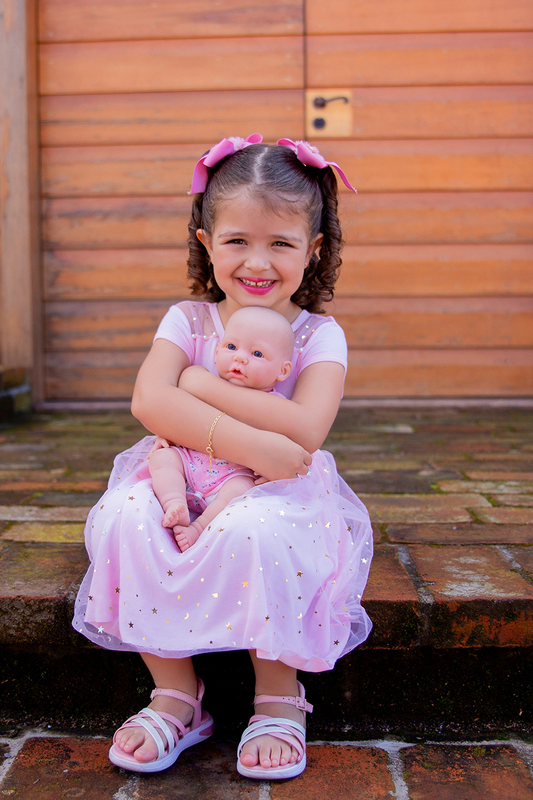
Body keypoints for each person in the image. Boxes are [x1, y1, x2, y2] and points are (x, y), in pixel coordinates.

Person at [72, 133, 372, 781]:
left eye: (281, 243)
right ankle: (177, 695)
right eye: (237, 240)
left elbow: (306, 429)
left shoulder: (318, 336)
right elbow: (150, 401)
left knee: (259, 525)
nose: (257, 263)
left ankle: (278, 695)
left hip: (276, 491)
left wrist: (200, 387)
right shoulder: (188, 321)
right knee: (127, 514)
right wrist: (261, 444)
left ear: (314, 249)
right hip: (186, 471)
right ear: (206, 244)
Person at [149, 305, 295, 553]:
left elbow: (282, 447)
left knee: (240, 491)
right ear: (216, 352)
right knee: (162, 459)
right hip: (190, 463)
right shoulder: (206, 387)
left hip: (232, 476)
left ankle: (199, 527)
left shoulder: (275, 407)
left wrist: (271, 471)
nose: (240, 358)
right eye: (231, 347)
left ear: (283, 371)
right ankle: (174, 503)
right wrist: (165, 434)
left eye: (257, 353)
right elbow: (179, 415)